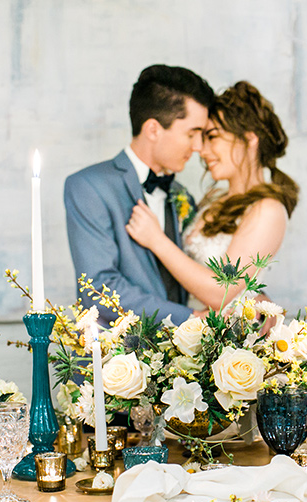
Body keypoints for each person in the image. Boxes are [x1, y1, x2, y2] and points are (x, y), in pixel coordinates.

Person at [125, 81, 298, 311]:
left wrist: (157, 240)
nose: (202, 151)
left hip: (227, 341)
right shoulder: (214, 201)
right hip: (192, 331)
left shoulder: (268, 210)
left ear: (250, 138)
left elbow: (221, 292)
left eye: (213, 137)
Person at [64, 64, 214, 325]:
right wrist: (188, 319)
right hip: (115, 359)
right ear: (153, 129)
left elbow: (204, 266)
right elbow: (98, 288)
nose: (199, 147)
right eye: (192, 133)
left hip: (183, 362)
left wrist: (253, 299)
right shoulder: (88, 187)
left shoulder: (182, 196)